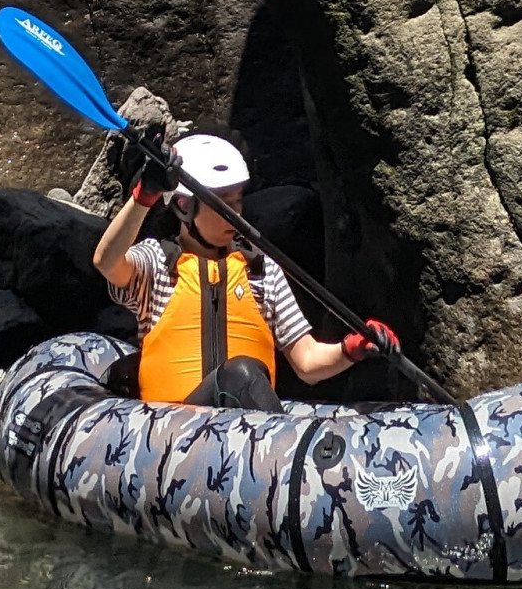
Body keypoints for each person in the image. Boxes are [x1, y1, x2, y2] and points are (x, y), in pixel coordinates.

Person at [92, 128, 399, 409]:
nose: (235, 214)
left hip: (241, 441)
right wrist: (145, 196)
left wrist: (352, 348)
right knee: (240, 374)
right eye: (223, 203)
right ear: (185, 206)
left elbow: (307, 364)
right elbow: (107, 261)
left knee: (242, 376)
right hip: (173, 435)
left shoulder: (262, 270)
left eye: (238, 201)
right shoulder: (157, 264)